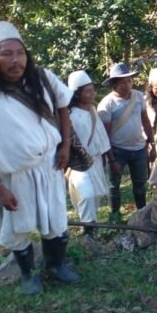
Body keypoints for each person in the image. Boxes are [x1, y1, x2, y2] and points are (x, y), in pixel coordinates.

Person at [0, 21, 78, 295]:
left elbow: (62, 106)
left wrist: (65, 146)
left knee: (56, 218)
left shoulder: (43, 79)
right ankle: (27, 275)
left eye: (20, 53)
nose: (15, 60)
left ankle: (55, 265)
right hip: (14, 175)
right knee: (19, 227)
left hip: (49, 165)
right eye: (6, 54)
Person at [98, 63, 155, 221]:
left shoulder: (138, 97)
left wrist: (152, 143)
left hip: (139, 148)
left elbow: (145, 121)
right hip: (117, 150)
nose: (128, 84)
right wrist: (111, 160)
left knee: (140, 185)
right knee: (114, 186)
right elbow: (105, 135)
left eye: (129, 80)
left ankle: (141, 215)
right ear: (114, 84)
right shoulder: (107, 104)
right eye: (123, 81)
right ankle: (115, 216)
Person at [66, 70, 112, 236]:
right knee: (86, 194)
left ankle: (91, 226)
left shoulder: (93, 110)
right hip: (79, 163)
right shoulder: (70, 116)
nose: (92, 93)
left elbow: (101, 135)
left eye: (93, 90)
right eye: (88, 91)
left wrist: (109, 158)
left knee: (96, 196)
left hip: (96, 161)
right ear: (77, 94)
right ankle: (87, 229)